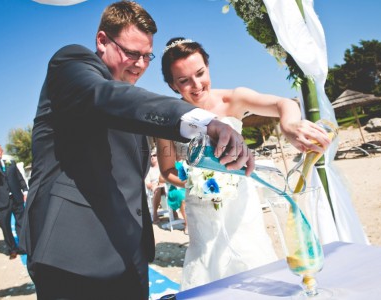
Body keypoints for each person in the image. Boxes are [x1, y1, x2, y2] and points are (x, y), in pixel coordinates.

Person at [19, 2, 254, 299]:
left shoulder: (130, 104)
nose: (141, 64)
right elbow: (105, 97)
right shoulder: (71, 64)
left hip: (129, 254)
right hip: (73, 255)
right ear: (102, 41)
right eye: (132, 53)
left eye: (147, 56)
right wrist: (203, 121)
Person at [157, 37, 331, 290]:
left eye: (200, 73)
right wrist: (196, 183)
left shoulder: (234, 99)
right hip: (201, 210)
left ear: (207, 66)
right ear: (173, 85)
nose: (196, 85)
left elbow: (284, 104)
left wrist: (290, 125)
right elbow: (166, 170)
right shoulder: (168, 118)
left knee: (251, 260)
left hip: (242, 204)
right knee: (206, 270)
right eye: (184, 80)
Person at [145, 150, 167, 223]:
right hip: (155, 188)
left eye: (154, 155)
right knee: (158, 189)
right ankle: (155, 214)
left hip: (166, 185)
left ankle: (174, 212)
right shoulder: (148, 170)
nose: (152, 157)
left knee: (172, 188)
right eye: (150, 156)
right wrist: (155, 185)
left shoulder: (163, 167)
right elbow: (148, 184)